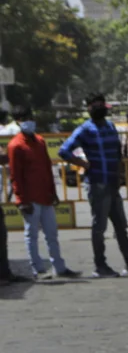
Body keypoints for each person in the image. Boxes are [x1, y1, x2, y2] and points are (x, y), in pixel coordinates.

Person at [59, 94, 128, 277]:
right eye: (94, 105)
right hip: (96, 183)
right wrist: (82, 164)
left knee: (121, 225)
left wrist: (120, 172)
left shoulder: (110, 126)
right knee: (99, 226)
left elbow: (118, 151)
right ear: (88, 108)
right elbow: (63, 151)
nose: (98, 107)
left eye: (100, 104)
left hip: (112, 183)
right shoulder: (84, 130)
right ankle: (100, 265)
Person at [8, 108, 77, 280]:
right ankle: (37, 269)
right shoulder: (15, 145)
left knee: (51, 233)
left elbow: (47, 168)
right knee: (31, 234)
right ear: (17, 121)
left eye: (30, 117)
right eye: (24, 119)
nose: (29, 121)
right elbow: (15, 176)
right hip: (30, 198)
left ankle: (59, 267)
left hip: (45, 195)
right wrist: (21, 200)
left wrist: (53, 193)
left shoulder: (39, 141)